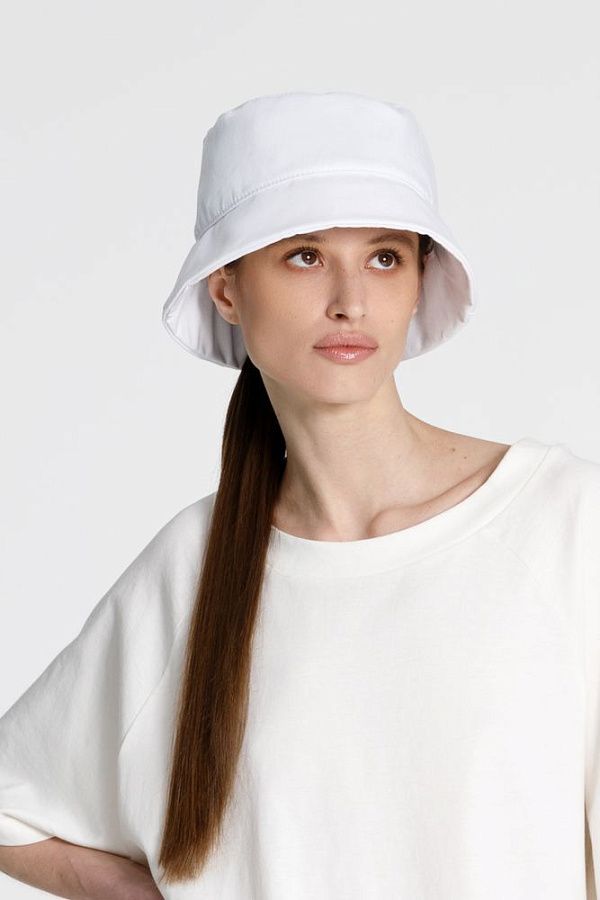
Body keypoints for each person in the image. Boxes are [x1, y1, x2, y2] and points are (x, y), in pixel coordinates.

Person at [1, 90, 600, 900]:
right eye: (305, 255)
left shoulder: (566, 524)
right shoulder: (193, 568)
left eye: (384, 257)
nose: (351, 299)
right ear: (227, 289)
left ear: (419, 282)